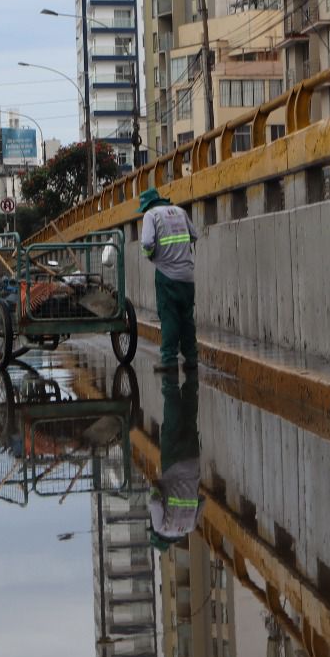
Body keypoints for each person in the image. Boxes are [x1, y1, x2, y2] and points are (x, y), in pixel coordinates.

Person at [138, 187, 197, 371]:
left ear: (147, 205)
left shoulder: (151, 215)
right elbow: (194, 235)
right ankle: (191, 358)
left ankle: (169, 359)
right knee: (187, 318)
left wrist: (150, 255)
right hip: (187, 276)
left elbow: (147, 242)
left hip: (166, 275)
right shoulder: (180, 211)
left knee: (169, 316)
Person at [147, 368, 201, 552]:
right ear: (158, 536)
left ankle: (192, 371)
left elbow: (201, 500)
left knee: (190, 419)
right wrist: (155, 489)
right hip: (173, 463)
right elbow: (155, 502)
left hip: (193, 462)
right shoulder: (159, 526)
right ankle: (170, 376)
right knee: (171, 421)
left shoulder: (190, 528)